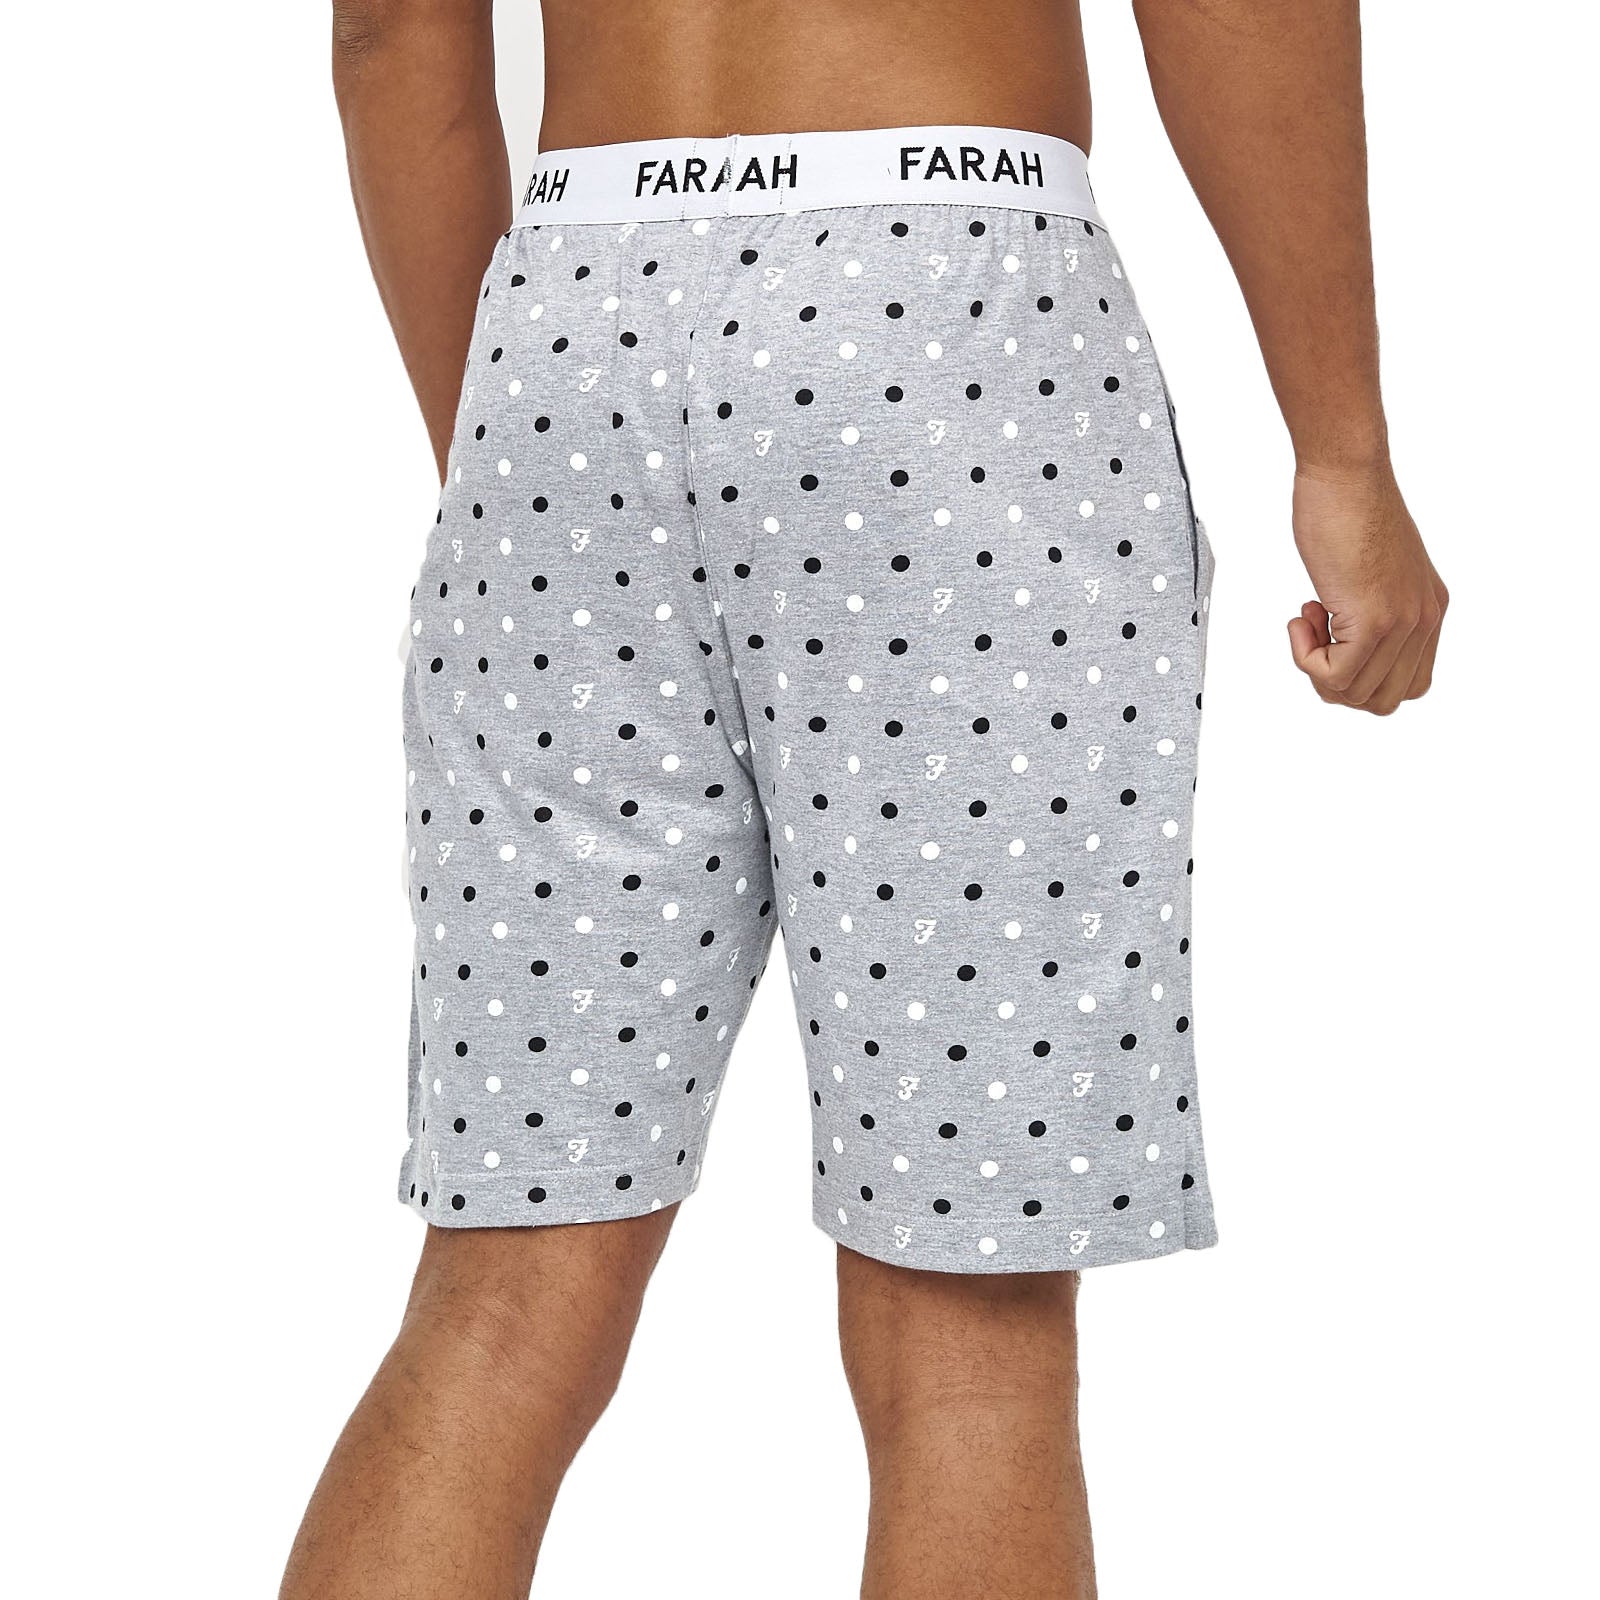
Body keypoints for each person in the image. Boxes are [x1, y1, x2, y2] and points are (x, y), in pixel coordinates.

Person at [283, 0, 1446, 1594]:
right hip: (949, 312)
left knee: (499, 1299)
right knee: (970, 1332)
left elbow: (388, 30)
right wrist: (1343, 450)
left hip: (567, 315)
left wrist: (522, 446)